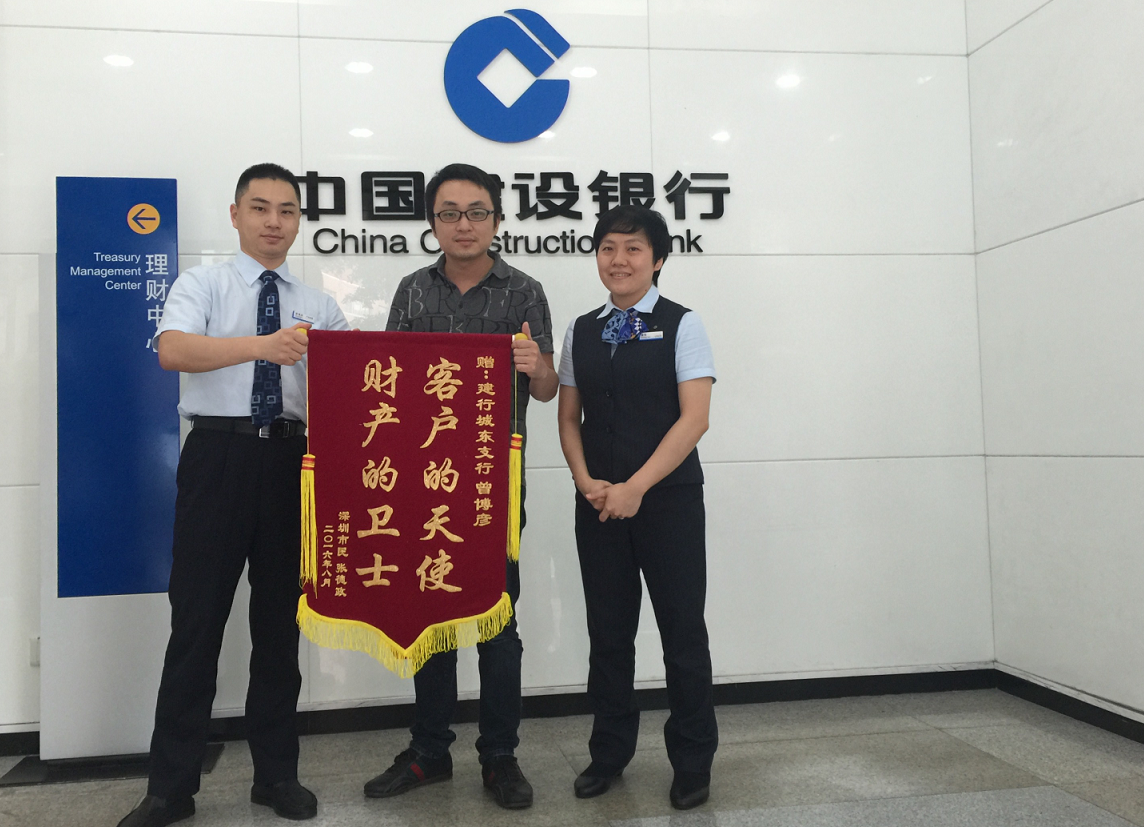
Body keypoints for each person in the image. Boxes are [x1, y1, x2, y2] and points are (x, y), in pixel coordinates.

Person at [117, 163, 350, 827]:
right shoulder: (204, 284)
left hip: (291, 463)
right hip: (217, 456)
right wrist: (263, 347)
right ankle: (170, 788)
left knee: (278, 626)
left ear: (298, 221)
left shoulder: (320, 304)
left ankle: (276, 776)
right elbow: (172, 351)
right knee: (196, 623)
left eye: (287, 210)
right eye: (260, 207)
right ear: (236, 214)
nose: (274, 221)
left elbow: (350, 384)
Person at [362, 163, 557, 810]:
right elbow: (386, 379)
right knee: (432, 616)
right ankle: (429, 751)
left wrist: (536, 365)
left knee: (497, 619)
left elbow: (548, 388)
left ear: (497, 219)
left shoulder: (524, 291)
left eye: (477, 212)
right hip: (423, 481)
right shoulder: (412, 291)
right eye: (449, 213)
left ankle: (500, 755)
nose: (464, 225)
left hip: (494, 481)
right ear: (432, 222)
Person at [556, 205, 718, 810]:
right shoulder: (582, 329)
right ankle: (608, 753)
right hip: (598, 502)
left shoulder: (681, 323)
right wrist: (586, 481)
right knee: (608, 632)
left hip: (668, 502)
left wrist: (636, 487)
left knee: (682, 631)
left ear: (657, 259)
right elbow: (567, 417)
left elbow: (694, 419)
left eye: (632, 248)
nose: (618, 260)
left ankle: (692, 762)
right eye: (608, 248)